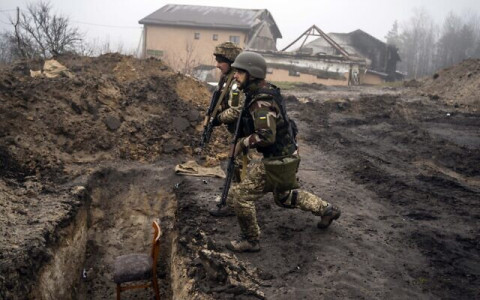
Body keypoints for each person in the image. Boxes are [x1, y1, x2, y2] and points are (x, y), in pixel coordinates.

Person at [224, 51, 341, 253]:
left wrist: (242, 143)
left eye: (240, 72)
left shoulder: (261, 101)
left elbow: (266, 136)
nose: (235, 76)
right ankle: (327, 210)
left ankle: (251, 240)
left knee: (241, 197)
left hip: (279, 158)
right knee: (284, 196)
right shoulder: (263, 91)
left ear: (251, 74)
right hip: (287, 154)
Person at [208, 41, 246, 217]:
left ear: (230, 61)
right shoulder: (227, 78)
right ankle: (236, 201)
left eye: (221, 61)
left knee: (238, 166)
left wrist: (218, 119)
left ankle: (235, 203)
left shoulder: (236, 82)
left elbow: (236, 111)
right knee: (237, 167)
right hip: (238, 131)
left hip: (244, 131)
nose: (217, 65)